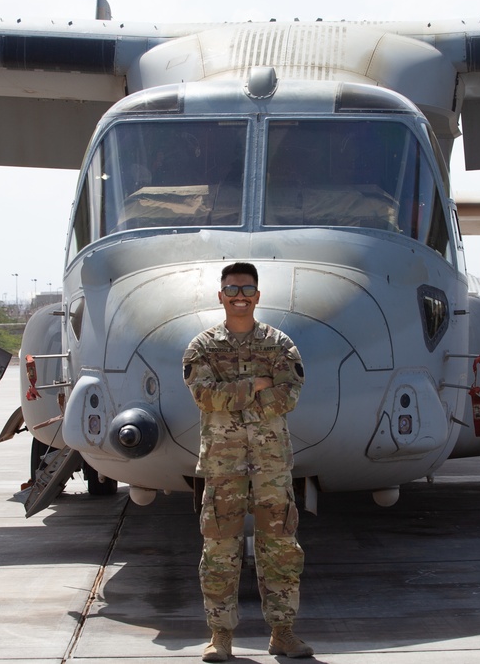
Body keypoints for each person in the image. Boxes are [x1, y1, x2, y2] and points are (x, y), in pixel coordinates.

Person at [182, 262, 313, 662]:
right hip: (223, 464)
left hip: (272, 463)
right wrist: (255, 387)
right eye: (232, 289)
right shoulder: (202, 346)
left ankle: (283, 632)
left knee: (281, 546)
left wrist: (231, 391)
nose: (240, 296)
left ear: (258, 296)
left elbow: (288, 396)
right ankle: (220, 636)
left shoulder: (280, 344)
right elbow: (204, 396)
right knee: (220, 548)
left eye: (247, 289)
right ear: (220, 296)